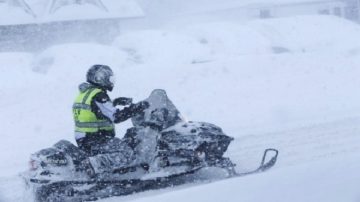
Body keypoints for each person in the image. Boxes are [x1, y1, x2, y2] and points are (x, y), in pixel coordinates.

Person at [72, 64, 149, 155]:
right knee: (127, 152)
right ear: (99, 78)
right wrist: (136, 108)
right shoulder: (99, 95)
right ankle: (96, 165)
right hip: (95, 140)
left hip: (86, 140)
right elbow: (116, 117)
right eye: (109, 78)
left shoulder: (86, 93)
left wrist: (115, 101)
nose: (111, 82)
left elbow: (97, 109)